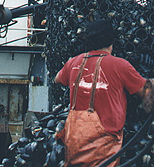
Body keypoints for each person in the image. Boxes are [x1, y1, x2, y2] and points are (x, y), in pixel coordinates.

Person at [55, 19, 146, 167]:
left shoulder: (73, 63)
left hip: (75, 143)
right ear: (111, 41)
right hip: (105, 147)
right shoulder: (120, 65)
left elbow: (57, 79)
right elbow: (146, 92)